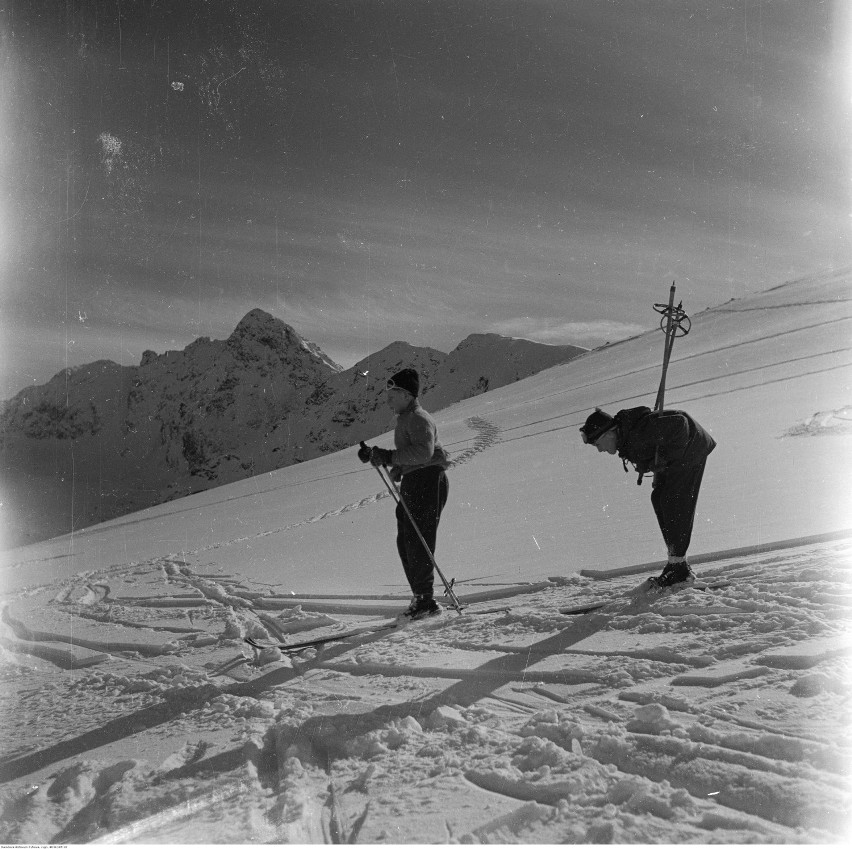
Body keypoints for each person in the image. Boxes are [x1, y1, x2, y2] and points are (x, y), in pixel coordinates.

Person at [580, 405, 716, 588]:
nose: (599, 450)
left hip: (691, 449)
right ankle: (677, 563)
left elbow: (680, 423)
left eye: (598, 444)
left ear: (609, 434)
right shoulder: (628, 436)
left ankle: (679, 569)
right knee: (659, 499)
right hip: (681, 455)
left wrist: (666, 460)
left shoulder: (636, 435)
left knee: (674, 503)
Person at [359, 368, 451, 618]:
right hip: (417, 481)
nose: (387, 400)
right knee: (408, 540)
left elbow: (424, 453)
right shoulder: (406, 419)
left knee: (417, 539)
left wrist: (389, 457)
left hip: (427, 481)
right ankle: (421, 597)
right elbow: (415, 454)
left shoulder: (419, 419)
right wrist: (383, 459)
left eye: (392, 394)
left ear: (406, 394)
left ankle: (425, 600)